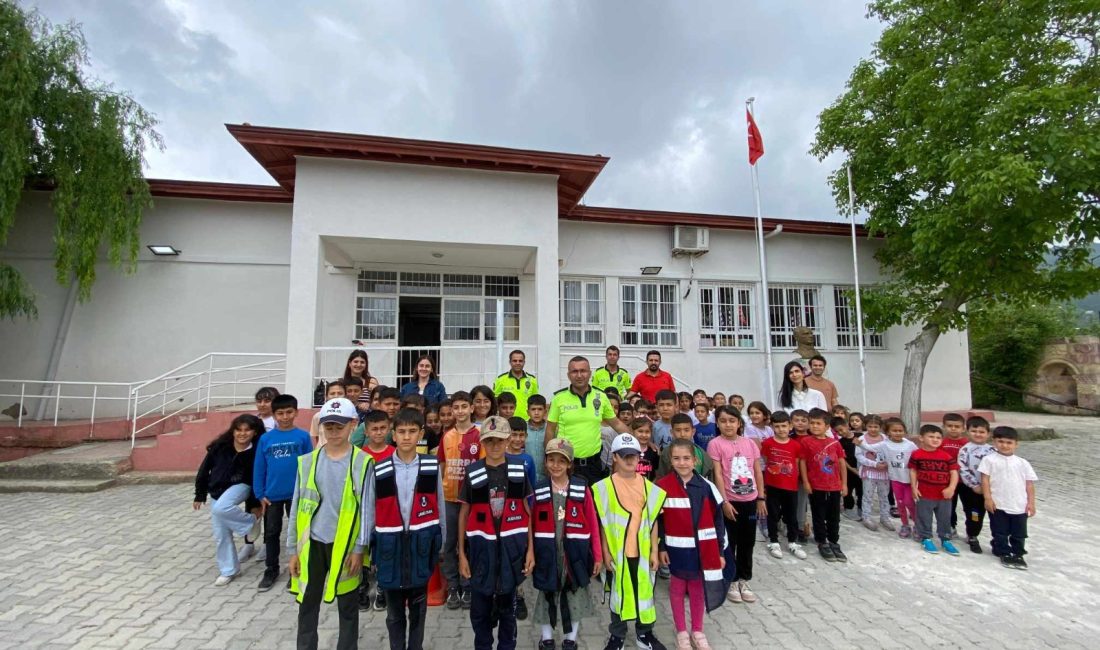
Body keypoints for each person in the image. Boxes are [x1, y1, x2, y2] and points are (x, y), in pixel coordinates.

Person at [287, 398, 371, 650]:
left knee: (347, 606)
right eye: (329, 426)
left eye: (340, 426)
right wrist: (292, 550)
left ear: (353, 425)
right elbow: (296, 507)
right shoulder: (307, 462)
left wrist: (360, 548)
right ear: (321, 426)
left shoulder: (363, 462)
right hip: (312, 545)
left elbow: (367, 510)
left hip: (345, 548)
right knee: (307, 603)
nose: (334, 432)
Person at [362, 408, 445, 650]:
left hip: (421, 547)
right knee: (394, 613)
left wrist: (441, 541)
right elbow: (369, 508)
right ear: (393, 435)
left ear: (420, 433)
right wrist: (365, 546)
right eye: (401, 431)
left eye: (411, 431)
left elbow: (438, 504)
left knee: (419, 610)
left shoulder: (430, 466)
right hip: (390, 549)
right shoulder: (379, 468)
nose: (406, 437)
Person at [458, 416, 535, 650]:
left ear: (509, 440)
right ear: (482, 442)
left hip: (511, 554)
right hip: (481, 554)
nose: (494, 446)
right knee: (480, 613)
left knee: (508, 615)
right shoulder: (473, 472)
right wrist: (461, 554)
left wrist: (530, 549)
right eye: (489, 441)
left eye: (499, 440)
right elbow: (464, 513)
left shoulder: (518, 471)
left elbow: (527, 512)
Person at [591, 433, 668, 650]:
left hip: (642, 553)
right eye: (624, 455)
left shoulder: (649, 487)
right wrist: (605, 553)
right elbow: (603, 525)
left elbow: (653, 522)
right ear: (614, 457)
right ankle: (617, 636)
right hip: (617, 553)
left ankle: (645, 634)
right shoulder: (602, 488)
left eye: (633, 455)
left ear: (639, 456)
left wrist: (654, 551)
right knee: (618, 595)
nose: (629, 459)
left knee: (645, 593)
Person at [656, 439, 728, 650]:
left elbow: (718, 521)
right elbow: (657, 521)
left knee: (697, 589)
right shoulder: (662, 487)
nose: (682, 463)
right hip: (675, 550)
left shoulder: (707, 487)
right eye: (677, 458)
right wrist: (661, 548)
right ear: (670, 460)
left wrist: (719, 551)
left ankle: (697, 630)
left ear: (695, 460)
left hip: (701, 551)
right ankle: (681, 632)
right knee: (677, 589)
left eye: (686, 458)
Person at [531, 439, 602, 650]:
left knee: (575, 594)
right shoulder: (540, 488)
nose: (555, 465)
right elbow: (531, 525)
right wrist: (531, 554)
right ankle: (547, 639)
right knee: (547, 593)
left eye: (561, 461)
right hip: (547, 553)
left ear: (570, 463)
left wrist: (597, 555)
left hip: (575, 555)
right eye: (551, 460)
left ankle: (570, 639)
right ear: (545, 462)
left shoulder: (582, 488)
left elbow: (593, 523)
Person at [193, 413, 265, 585]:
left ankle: (249, 523)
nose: (242, 434)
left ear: (254, 432)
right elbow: (204, 470)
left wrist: (255, 504)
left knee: (221, 509)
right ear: (233, 431)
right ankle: (229, 570)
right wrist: (200, 494)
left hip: (242, 485)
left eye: (247, 430)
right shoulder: (220, 447)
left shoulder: (256, 451)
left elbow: (258, 476)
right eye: (238, 430)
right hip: (217, 489)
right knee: (221, 533)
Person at [253, 393, 313, 591]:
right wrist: (260, 494)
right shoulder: (265, 439)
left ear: (296, 412)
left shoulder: (303, 436)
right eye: (280, 413)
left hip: (297, 494)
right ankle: (271, 569)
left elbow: (308, 465)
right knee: (271, 533)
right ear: (274, 414)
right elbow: (259, 467)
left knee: (296, 533)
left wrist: (307, 491)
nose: (285, 417)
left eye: (289, 412)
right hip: (272, 496)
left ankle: (296, 569)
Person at [706, 406, 764, 602]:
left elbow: (757, 472)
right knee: (730, 542)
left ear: (739, 423)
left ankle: (743, 579)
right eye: (723, 421)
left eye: (732, 420)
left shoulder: (749, 444)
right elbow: (718, 475)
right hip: (730, 503)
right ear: (718, 423)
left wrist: (761, 498)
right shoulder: (715, 444)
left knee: (748, 542)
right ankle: (730, 579)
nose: (728, 424)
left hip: (750, 501)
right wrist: (724, 501)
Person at [546, 356, 629, 487]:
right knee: (569, 505)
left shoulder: (601, 397)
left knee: (594, 505)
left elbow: (617, 424)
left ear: (590, 373)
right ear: (568, 375)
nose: (579, 375)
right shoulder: (559, 398)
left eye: (583, 371)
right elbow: (550, 430)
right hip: (567, 465)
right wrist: (548, 460)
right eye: (574, 371)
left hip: (594, 465)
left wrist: (638, 440)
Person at [437, 390, 483, 610]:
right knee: (449, 544)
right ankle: (453, 586)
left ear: (472, 408)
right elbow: (443, 467)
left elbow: (483, 468)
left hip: (471, 501)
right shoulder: (446, 436)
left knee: (470, 543)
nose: (460, 411)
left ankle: (468, 584)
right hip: (449, 498)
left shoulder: (479, 436)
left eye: (464, 406)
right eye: (456, 407)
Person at [979, 427, 1038, 569]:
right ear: (994, 442)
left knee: (1019, 533)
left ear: (1016, 444)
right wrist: (988, 498)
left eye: (1009, 442)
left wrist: (1031, 503)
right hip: (998, 503)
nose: (1004, 445)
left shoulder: (1022, 463)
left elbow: (1029, 484)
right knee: (1000, 530)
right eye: (1000, 441)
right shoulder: (989, 460)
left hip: (1019, 504)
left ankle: (1018, 553)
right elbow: (985, 480)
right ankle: (1003, 551)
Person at [799, 408, 848, 562]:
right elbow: (803, 462)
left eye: (818, 423)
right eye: (812, 423)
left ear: (827, 426)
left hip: (834, 486)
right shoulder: (806, 442)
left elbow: (841, 463)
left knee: (834, 516)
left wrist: (844, 484)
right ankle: (822, 541)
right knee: (818, 515)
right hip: (816, 486)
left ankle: (833, 541)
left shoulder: (834, 443)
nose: (814, 426)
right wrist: (806, 482)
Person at [760, 412, 806, 560]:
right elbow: (767, 461)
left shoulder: (796, 445)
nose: (781, 429)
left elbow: (797, 464)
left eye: (784, 426)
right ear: (772, 427)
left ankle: (792, 542)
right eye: (777, 426)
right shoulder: (767, 443)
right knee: (772, 514)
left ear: (790, 426)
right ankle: (774, 541)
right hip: (773, 486)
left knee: (791, 515)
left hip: (791, 486)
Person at [909, 424, 960, 555]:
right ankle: (926, 538)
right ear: (921, 438)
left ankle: (945, 539)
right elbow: (913, 470)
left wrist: (951, 488)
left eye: (938, 437)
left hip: (944, 495)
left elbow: (954, 472)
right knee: (924, 517)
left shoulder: (946, 456)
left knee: (944, 518)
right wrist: (914, 487)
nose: (935, 439)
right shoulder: (916, 454)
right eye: (931, 436)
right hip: (925, 493)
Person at [863, 417, 918, 538]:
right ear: (888, 432)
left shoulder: (910, 445)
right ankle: (905, 525)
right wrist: (858, 442)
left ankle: (918, 525)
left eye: (900, 430)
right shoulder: (884, 444)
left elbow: (918, 457)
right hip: (895, 479)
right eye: (894, 430)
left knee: (909, 502)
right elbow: (870, 448)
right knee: (900, 503)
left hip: (909, 480)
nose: (898, 433)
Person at [957, 416, 995, 553]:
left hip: (990, 490)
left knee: (993, 514)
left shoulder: (992, 451)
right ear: (967, 432)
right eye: (974, 431)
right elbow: (963, 469)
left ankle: (997, 540)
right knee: (974, 514)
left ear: (988, 434)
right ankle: (972, 536)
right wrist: (974, 485)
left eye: (982, 432)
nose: (978, 434)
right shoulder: (965, 450)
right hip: (972, 490)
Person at [854, 415, 893, 531]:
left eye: (876, 427)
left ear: (880, 427)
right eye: (870, 426)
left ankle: (885, 517)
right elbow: (859, 456)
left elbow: (891, 452)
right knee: (867, 496)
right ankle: (866, 517)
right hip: (869, 472)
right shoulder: (862, 439)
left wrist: (887, 463)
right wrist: (874, 464)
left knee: (884, 495)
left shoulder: (885, 438)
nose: (873, 429)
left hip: (884, 473)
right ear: (865, 426)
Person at [657, 413, 714, 480]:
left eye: (686, 430)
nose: (682, 434)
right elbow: (662, 477)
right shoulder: (666, 453)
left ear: (693, 431)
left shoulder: (701, 453)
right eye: (678, 430)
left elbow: (708, 477)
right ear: (672, 432)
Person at [939, 412, 968, 535]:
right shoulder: (941, 442)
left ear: (963, 428)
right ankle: (951, 526)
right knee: (949, 506)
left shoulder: (967, 443)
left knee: (968, 507)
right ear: (944, 426)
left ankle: (970, 531)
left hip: (965, 481)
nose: (953, 428)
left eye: (957, 426)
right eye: (950, 426)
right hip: (947, 481)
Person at [494, 350, 539, 420]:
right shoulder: (500, 380)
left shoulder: (532, 380)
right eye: (514, 361)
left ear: (524, 362)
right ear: (510, 362)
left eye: (520, 361)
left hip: (526, 421)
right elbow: (496, 401)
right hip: (506, 421)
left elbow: (535, 402)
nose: (517, 363)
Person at [835, 417, 862, 521]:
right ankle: (848, 509)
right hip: (849, 471)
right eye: (837, 431)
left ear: (847, 426)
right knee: (848, 491)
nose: (840, 433)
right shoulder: (840, 442)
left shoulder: (860, 437)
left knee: (861, 491)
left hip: (861, 469)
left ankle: (861, 508)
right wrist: (852, 469)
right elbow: (842, 459)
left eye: (841, 429)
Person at [506, 417, 537, 498]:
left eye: (521, 435)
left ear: (526, 436)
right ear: (506, 435)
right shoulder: (500, 456)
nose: (518, 439)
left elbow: (532, 487)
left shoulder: (528, 459)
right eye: (514, 435)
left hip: (523, 506)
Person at [310, 381, 346, 447]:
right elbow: (317, 438)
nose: (336, 396)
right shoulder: (318, 416)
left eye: (340, 393)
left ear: (345, 396)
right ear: (326, 396)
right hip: (322, 455)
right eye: (332, 393)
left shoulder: (351, 417)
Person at [526, 395, 549, 483]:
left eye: (540, 409)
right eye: (533, 409)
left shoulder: (550, 430)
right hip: (526, 477)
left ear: (545, 412)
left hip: (546, 478)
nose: (536, 413)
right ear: (528, 412)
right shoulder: (522, 429)